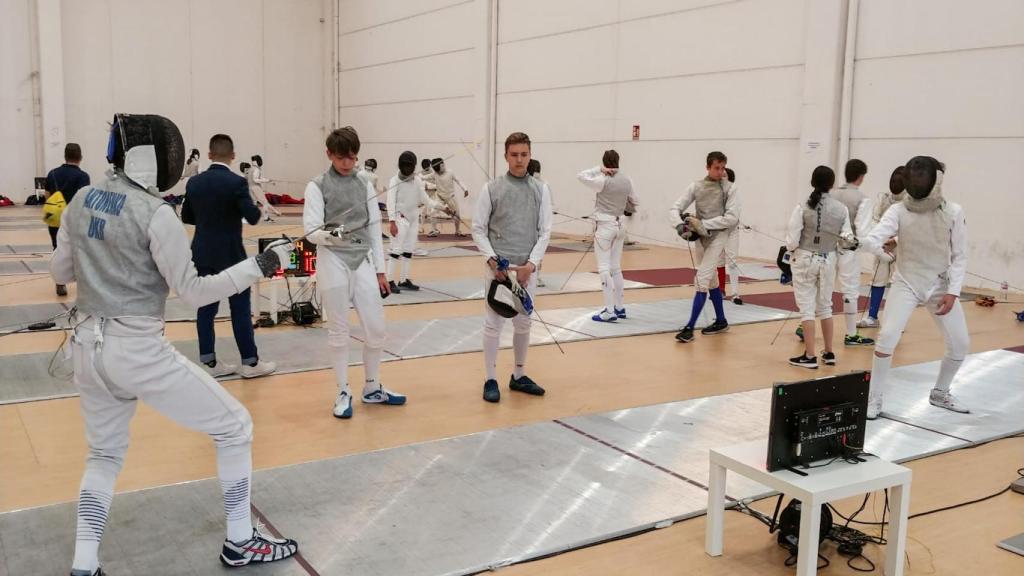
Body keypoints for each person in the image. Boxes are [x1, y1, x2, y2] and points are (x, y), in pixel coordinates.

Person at [53, 114, 298, 576]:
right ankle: (240, 541)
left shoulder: (82, 199)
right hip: (137, 350)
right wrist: (260, 266)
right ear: (152, 159)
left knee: (103, 454)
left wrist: (101, 265)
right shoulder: (156, 213)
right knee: (235, 427)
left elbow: (60, 273)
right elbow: (195, 292)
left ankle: (84, 565)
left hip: (85, 346)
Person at [303, 126, 406, 419]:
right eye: (340, 158)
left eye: (352, 158)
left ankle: (372, 387)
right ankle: (343, 390)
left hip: (362, 261)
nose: (347, 163)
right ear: (329, 155)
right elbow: (311, 231)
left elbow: (374, 229)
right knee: (339, 331)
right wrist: (340, 232)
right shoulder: (317, 185)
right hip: (332, 261)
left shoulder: (365, 184)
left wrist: (381, 271)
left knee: (376, 329)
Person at [862, 156, 970, 419]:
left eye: (923, 177)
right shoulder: (898, 210)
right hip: (907, 282)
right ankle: (874, 399)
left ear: (935, 180)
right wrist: (868, 244)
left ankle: (940, 392)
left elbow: (959, 255)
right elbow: (874, 238)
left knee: (960, 344)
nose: (918, 182)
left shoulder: (953, 211)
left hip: (939, 284)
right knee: (887, 336)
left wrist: (953, 292)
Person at [182, 134, 276, 379]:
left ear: (210, 154)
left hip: (202, 253)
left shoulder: (194, 183)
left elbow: (187, 217)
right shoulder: (236, 183)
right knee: (240, 310)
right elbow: (253, 218)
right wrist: (259, 208)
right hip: (233, 256)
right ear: (233, 157)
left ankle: (208, 362)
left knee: (206, 308)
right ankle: (250, 362)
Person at [472, 132, 552, 403]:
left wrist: (531, 264)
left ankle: (518, 375)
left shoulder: (541, 189)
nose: (519, 160)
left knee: (523, 323)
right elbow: (478, 229)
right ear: (506, 156)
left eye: (524, 155)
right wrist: (493, 261)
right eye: (514, 155)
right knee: (493, 323)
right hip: (498, 269)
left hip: (526, 269)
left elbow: (545, 231)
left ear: (530, 155)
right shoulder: (491, 189)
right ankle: (490, 378)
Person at [784, 166, 855, 369]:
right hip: (828, 260)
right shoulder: (841, 209)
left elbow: (792, 241)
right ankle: (829, 352)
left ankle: (810, 356)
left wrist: (791, 249)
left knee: (807, 309)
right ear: (831, 184)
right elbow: (847, 239)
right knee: (825, 306)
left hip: (804, 259)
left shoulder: (802, 207)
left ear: (813, 182)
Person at [669, 151, 741, 343]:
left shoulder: (730, 189)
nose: (720, 171)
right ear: (708, 167)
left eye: (723, 168)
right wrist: (679, 225)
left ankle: (689, 328)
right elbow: (675, 208)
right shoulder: (697, 186)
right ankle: (721, 321)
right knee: (711, 281)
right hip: (701, 238)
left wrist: (703, 224)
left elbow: (732, 218)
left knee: (702, 279)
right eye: (716, 168)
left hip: (719, 237)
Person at [577, 150, 639, 322]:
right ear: (618, 161)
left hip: (605, 227)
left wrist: (599, 169)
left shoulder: (602, 180)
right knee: (616, 267)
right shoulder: (627, 179)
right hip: (620, 227)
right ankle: (620, 307)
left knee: (604, 268)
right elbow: (635, 201)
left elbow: (580, 176)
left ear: (605, 163)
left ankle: (609, 311)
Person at [831, 159, 876, 346]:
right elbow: (862, 231)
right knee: (849, 291)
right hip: (849, 250)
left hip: (827, 248)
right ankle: (851, 334)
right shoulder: (862, 199)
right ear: (861, 177)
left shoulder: (831, 194)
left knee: (820, 287)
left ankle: (803, 325)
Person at [858, 166, 906, 328]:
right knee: (878, 279)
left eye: (898, 182)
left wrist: (896, 240)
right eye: (893, 181)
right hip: (883, 246)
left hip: (903, 248)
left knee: (899, 283)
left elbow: (913, 227)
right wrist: (880, 240)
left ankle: (896, 321)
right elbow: (875, 219)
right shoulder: (884, 198)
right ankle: (872, 317)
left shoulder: (912, 203)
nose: (895, 184)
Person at [387, 151, 440, 293]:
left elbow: (425, 200)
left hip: (413, 219)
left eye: (409, 166)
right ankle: (389, 280)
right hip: (400, 218)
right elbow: (390, 202)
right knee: (396, 250)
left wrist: (441, 207)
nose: (406, 169)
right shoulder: (394, 181)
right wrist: (392, 221)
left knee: (408, 250)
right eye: (404, 166)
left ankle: (403, 280)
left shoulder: (417, 181)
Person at [44, 143, 91, 296]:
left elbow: (47, 195)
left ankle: (60, 282)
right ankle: (83, 284)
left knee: (57, 247)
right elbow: (84, 199)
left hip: (54, 216)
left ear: (65, 156)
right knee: (80, 250)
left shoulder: (52, 173)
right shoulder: (83, 176)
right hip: (74, 218)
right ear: (80, 157)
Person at [716, 167, 742, 304]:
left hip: (731, 231)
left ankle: (736, 294)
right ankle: (720, 290)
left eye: (724, 175)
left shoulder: (734, 192)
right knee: (719, 261)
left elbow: (734, 213)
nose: (721, 176)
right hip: (718, 231)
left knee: (732, 262)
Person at [431, 157, 469, 236]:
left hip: (450, 197)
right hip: (440, 197)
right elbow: (424, 177)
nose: (438, 172)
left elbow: (458, 180)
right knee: (433, 212)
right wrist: (415, 176)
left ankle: (457, 231)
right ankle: (434, 231)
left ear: (442, 165)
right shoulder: (435, 174)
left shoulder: (450, 172)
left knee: (457, 215)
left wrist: (465, 189)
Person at [248, 154, 280, 221]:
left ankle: (276, 212)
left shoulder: (251, 169)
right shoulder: (256, 169)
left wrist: (268, 180)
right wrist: (266, 181)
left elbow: (258, 178)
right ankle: (266, 217)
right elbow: (255, 179)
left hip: (250, 188)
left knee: (262, 202)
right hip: (256, 187)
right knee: (265, 203)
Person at [420, 157, 440, 236]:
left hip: (433, 195)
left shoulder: (433, 173)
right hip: (425, 196)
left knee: (433, 212)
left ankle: (434, 229)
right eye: (424, 166)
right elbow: (421, 185)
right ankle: (421, 227)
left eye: (427, 166)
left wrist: (429, 187)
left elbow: (437, 185)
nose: (426, 168)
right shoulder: (421, 173)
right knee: (423, 212)